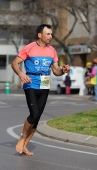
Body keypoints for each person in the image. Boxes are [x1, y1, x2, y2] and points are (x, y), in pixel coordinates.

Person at [11, 24, 70, 156]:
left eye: (51, 34)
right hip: (31, 82)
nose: (50, 36)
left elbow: (56, 71)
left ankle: (25, 146)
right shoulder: (30, 48)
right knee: (34, 114)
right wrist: (21, 74)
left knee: (37, 118)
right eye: (48, 34)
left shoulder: (52, 51)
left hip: (44, 83)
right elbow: (14, 63)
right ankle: (22, 137)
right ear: (40, 35)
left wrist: (63, 70)